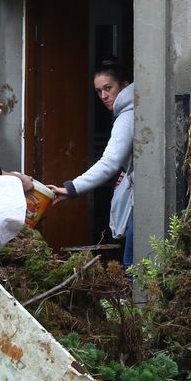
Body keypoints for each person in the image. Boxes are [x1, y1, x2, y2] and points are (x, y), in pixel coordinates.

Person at [48, 62, 135, 263]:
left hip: (142, 200)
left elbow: (110, 163)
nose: (103, 96)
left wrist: (71, 188)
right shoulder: (132, 110)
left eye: (108, 88)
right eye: (98, 91)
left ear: (124, 85)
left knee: (133, 268)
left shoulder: (127, 117)